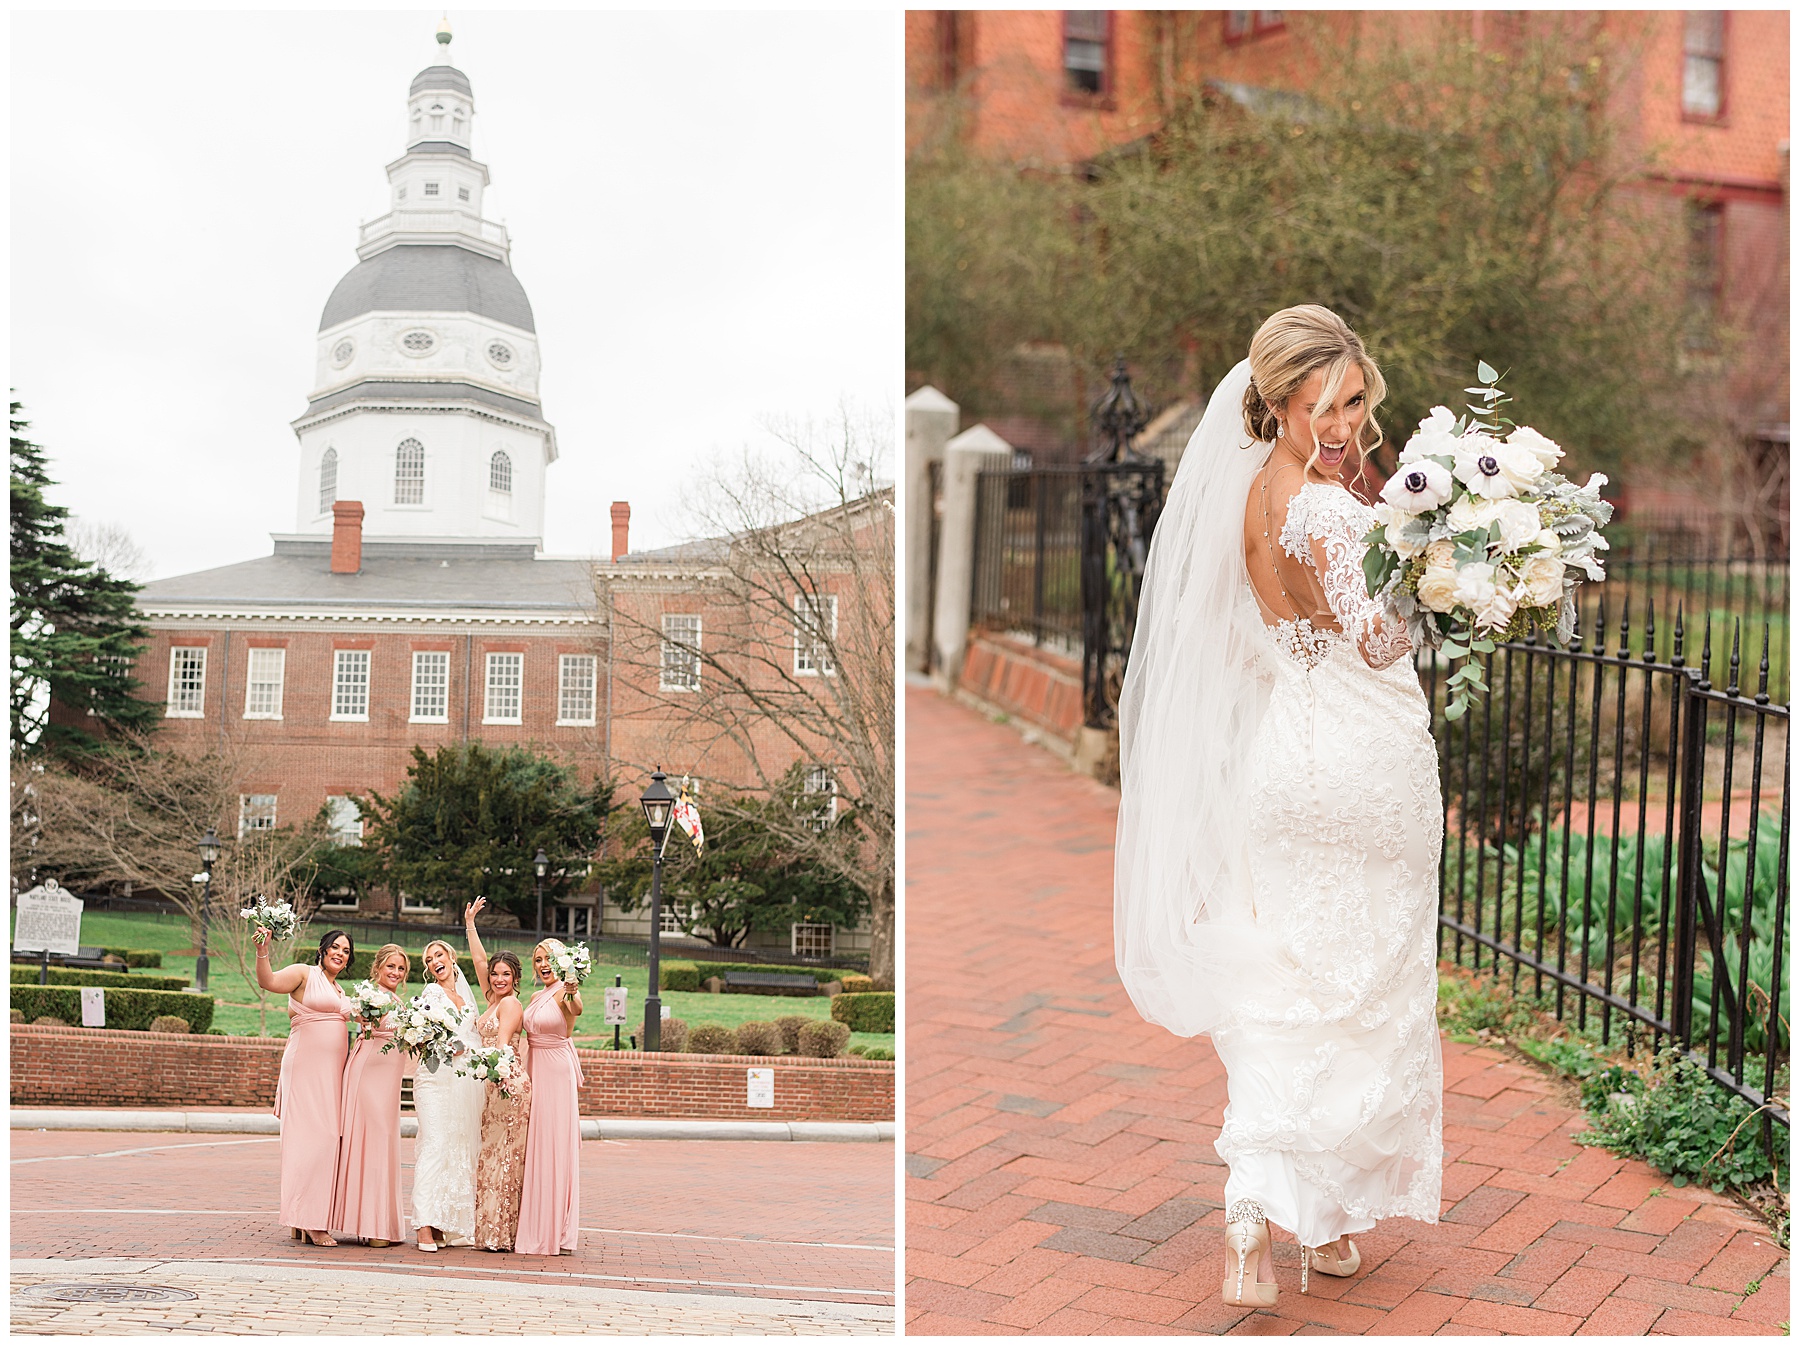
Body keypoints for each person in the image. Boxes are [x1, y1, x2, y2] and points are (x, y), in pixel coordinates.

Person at [1114, 304, 1443, 1310]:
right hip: (1367, 753)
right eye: (1321, 404)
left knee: (1284, 971)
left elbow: (1254, 633)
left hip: (1284, 756)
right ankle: (1320, 1212)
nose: (1341, 423)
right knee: (1368, 975)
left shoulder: (1247, 496)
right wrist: (1444, 580)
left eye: (1352, 401)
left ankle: (1276, 1210)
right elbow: (1379, 640)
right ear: (1278, 401)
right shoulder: (1332, 510)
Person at [254, 926, 355, 1246]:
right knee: (311, 1143)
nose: (340, 953)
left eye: (346, 951)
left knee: (328, 1142)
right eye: (335, 947)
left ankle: (303, 1217)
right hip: (305, 1071)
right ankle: (310, 1221)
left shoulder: (339, 990)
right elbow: (267, 982)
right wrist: (263, 949)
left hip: (331, 1077)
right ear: (323, 950)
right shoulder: (303, 974)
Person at [463, 898, 533, 1252]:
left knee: (504, 1156)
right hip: (493, 1083)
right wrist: (470, 923)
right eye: (495, 973)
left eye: (506, 974)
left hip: (508, 1084)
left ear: (515, 978)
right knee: (489, 1154)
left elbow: (503, 1045)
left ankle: (500, 1234)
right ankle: (488, 1230)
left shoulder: (510, 1004)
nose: (498, 978)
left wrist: (486, 1065)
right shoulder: (492, 999)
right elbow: (477, 960)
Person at [330, 944, 410, 1248]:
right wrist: (361, 1017)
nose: (395, 972)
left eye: (401, 968)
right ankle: (370, 1225)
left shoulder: (398, 1001)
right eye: (390, 966)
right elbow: (345, 1010)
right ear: (378, 967)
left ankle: (381, 1223)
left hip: (388, 1081)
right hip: (367, 1074)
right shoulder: (369, 995)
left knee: (384, 1141)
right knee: (370, 1141)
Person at [407, 937, 484, 1252]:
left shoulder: (465, 997)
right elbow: (424, 1040)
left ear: (452, 958)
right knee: (435, 1146)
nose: (433, 962)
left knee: (457, 1148)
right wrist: (453, 1045)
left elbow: (474, 1038)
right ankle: (423, 1225)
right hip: (434, 1080)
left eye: (438, 955)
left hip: (461, 1082)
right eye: (428, 960)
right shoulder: (432, 993)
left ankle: (444, 1225)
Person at [514, 937, 584, 1256]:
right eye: (538, 959)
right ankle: (536, 1219)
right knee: (536, 1143)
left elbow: (576, 1010)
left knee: (552, 1144)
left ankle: (552, 1227)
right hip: (535, 1068)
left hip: (556, 1073)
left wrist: (571, 988)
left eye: (549, 959)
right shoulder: (535, 995)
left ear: (563, 964)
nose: (543, 964)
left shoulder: (565, 993)